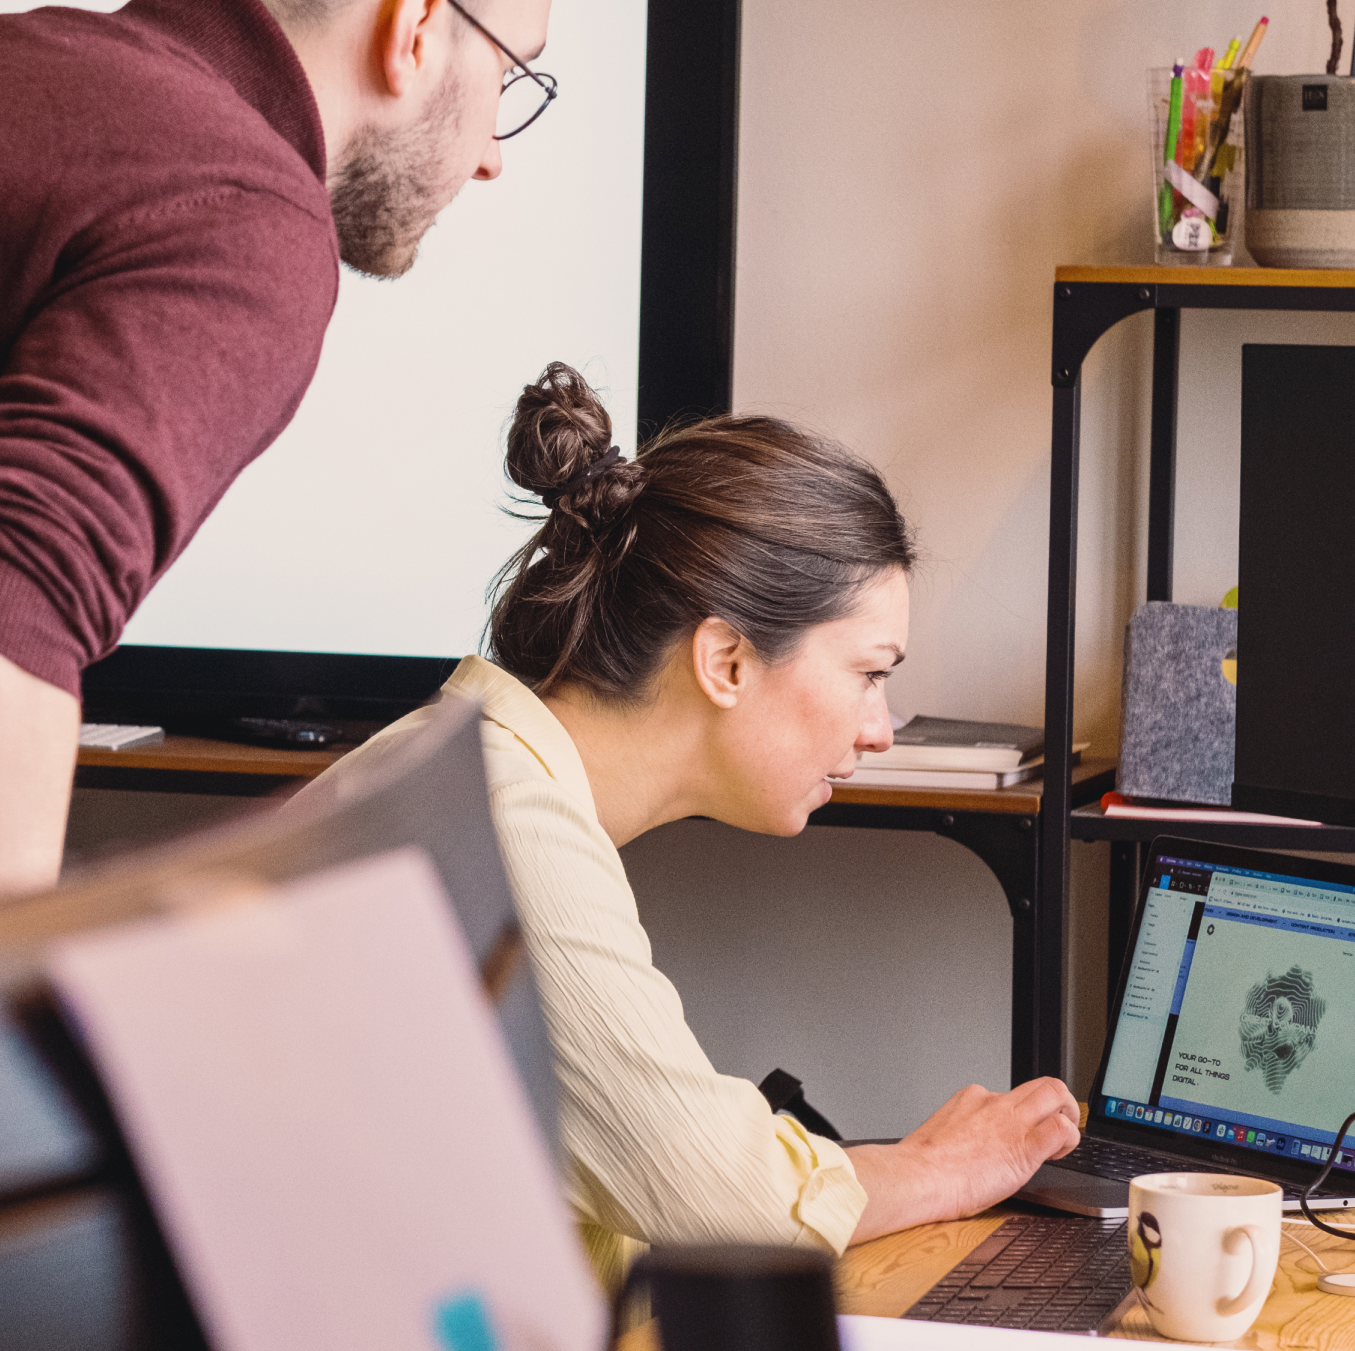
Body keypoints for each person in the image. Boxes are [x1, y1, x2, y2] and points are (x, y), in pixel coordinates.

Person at [300, 363, 1082, 1289]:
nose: (879, 729)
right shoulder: (500, 828)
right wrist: (938, 1167)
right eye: (870, 673)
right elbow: (722, 1201)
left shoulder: (469, 769)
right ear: (726, 660)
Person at [0, 0, 557, 895]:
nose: (493, 154)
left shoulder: (6, 59)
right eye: (510, 76)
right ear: (417, 25)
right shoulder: (241, 202)